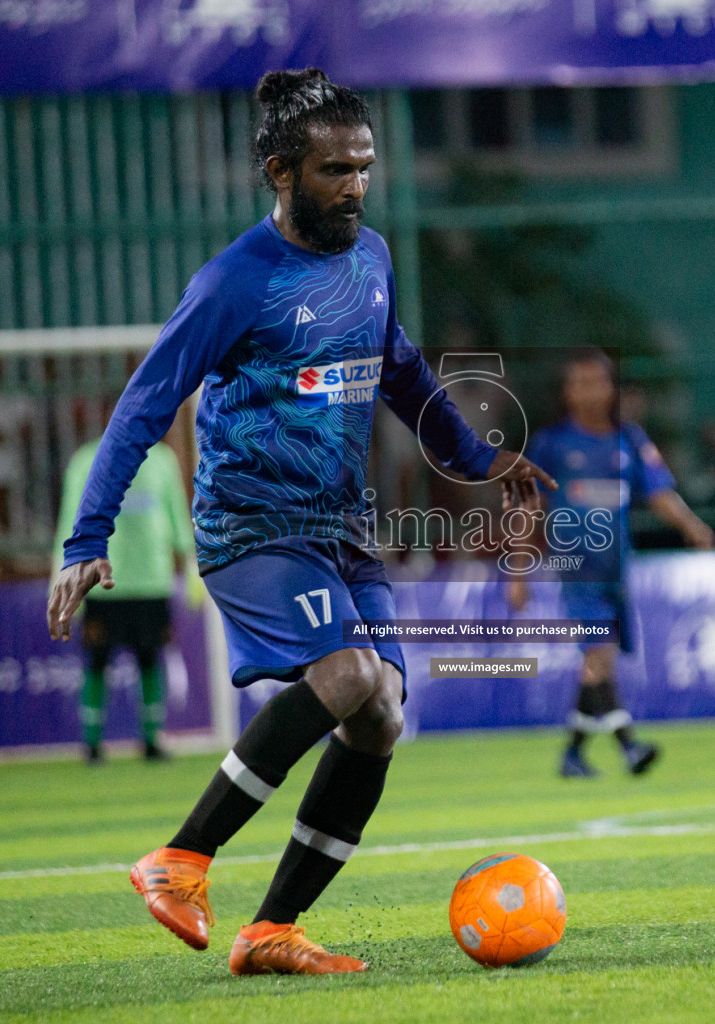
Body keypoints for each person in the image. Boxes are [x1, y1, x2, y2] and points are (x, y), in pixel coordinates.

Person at [47, 68, 554, 975]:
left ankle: (270, 930)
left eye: (364, 167)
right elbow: (143, 405)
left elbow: (398, 366)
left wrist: (479, 460)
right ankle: (180, 859)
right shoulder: (234, 283)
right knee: (349, 669)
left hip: (341, 529)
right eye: (334, 171)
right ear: (281, 172)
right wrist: (87, 539)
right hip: (252, 524)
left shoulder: (373, 258)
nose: (356, 185)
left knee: (383, 715)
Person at [507, 350, 714, 778]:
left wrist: (691, 524)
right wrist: (518, 569)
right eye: (579, 383)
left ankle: (573, 754)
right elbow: (529, 508)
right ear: (567, 392)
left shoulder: (630, 440)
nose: (589, 391)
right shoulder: (552, 443)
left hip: (617, 568)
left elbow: (657, 492)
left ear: (610, 387)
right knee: (598, 653)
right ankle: (628, 745)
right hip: (576, 566)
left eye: (597, 381)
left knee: (600, 662)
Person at [52, 438, 197, 763]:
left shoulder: (162, 460)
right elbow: (69, 522)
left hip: (152, 582)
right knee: (97, 661)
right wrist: (61, 576)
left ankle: (150, 741)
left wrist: (191, 566)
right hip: (103, 582)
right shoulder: (85, 460)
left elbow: (176, 513)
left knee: (149, 658)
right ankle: (91, 744)